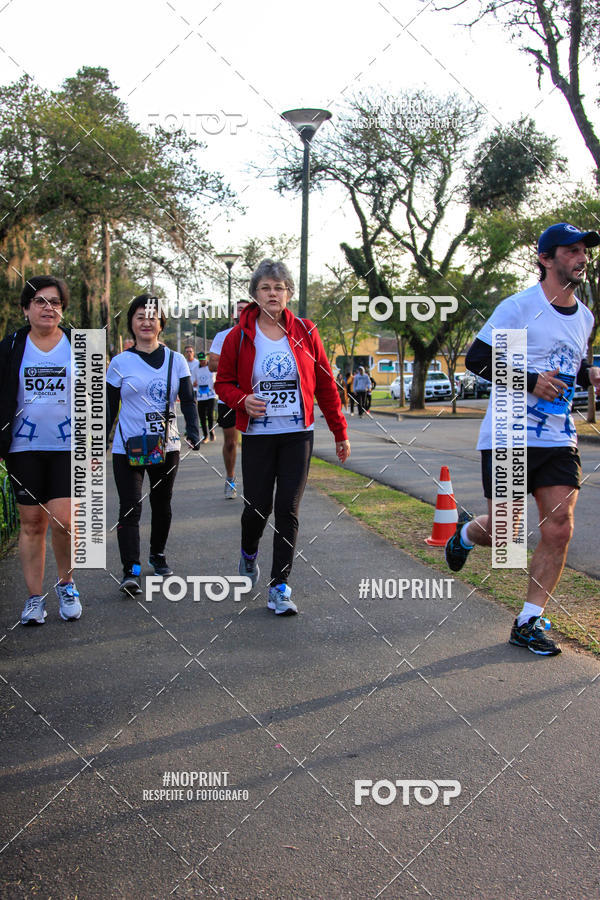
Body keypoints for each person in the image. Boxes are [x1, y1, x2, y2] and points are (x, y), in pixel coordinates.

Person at [445, 222, 600, 656]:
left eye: (584, 251)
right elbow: (478, 359)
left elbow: (568, 362)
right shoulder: (520, 307)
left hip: (558, 436)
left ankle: (528, 621)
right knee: (506, 535)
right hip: (509, 433)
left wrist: (589, 374)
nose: (582, 258)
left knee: (559, 526)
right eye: (571, 251)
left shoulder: (585, 316)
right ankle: (465, 533)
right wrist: (531, 381)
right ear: (546, 259)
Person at [215, 259, 350, 616]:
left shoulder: (306, 331)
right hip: (259, 434)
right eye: (265, 288)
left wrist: (339, 431)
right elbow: (222, 383)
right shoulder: (237, 337)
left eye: (279, 288)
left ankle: (279, 587)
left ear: (289, 293)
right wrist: (242, 400)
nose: (272, 294)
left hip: (297, 434)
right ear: (255, 294)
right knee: (258, 508)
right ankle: (248, 553)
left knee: (288, 508)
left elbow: (325, 385)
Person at [0, 276, 81, 625]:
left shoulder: (81, 345)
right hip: (23, 447)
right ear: (26, 308)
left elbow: (98, 397)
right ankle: (34, 599)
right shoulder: (10, 345)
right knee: (32, 523)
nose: (49, 308)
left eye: (55, 302)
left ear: (63, 309)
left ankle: (66, 585)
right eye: (40, 302)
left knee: (64, 520)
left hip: (68, 447)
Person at [106, 295, 200, 595]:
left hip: (166, 445)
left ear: (161, 323)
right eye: (140, 317)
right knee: (130, 506)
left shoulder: (177, 360)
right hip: (128, 446)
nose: (146, 322)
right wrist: (99, 441)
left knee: (162, 503)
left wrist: (194, 429)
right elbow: (109, 406)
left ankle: (157, 554)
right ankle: (130, 570)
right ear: (131, 322)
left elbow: (188, 400)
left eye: (152, 317)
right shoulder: (120, 363)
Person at [209, 299, 250, 498]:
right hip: (229, 398)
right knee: (231, 442)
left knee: (255, 443)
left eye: (246, 309)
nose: (243, 312)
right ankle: (230, 478)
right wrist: (238, 362)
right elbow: (212, 365)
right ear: (234, 314)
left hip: (253, 396)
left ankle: (254, 484)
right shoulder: (222, 336)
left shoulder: (260, 334)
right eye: (239, 310)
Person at [195, 351, 216, 441]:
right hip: (200, 396)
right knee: (202, 416)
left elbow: (217, 377)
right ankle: (205, 435)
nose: (202, 362)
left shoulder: (211, 367)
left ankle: (211, 432)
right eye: (200, 361)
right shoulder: (196, 369)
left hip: (211, 395)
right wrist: (194, 383)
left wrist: (216, 383)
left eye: (203, 360)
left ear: (206, 359)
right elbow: (192, 380)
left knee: (210, 414)